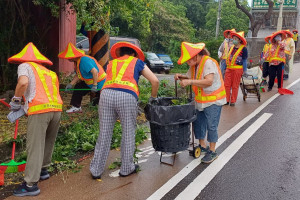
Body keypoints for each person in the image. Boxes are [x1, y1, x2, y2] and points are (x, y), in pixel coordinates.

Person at [90, 42, 159, 178]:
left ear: (120, 53)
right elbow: (155, 81)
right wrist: (153, 99)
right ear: (133, 54)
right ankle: (126, 168)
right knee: (128, 132)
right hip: (127, 96)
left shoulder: (111, 63)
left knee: (104, 133)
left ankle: (96, 170)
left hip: (106, 95)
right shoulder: (137, 62)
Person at [7, 43, 63, 196]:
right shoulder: (48, 72)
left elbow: (23, 83)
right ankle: (43, 169)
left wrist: (16, 100)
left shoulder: (25, 66)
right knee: (48, 141)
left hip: (39, 110)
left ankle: (30, 184)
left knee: (35, 145)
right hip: (56, 109)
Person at [175, 42, 226, 163]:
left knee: (211, 125)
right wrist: (180, 77)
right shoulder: (194, 65)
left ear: (196, 56)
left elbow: (208, 81)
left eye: (188, 60)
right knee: (198, 123)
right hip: (201, 100)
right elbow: (189, 79)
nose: (187, 62)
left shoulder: (208, 62)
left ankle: (213, 151)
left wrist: (190, 82)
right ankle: (203, 146)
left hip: (214, 100)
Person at [58, 42, 106, 113]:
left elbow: (95, 72)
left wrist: (95, 85)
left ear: (72, 56)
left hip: (100, 83)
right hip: (89, 83)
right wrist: (71, 84)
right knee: (78, 87)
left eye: (68, 57)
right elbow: (79, 74)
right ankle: (76, 107)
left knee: (101, 101)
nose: (67, 58)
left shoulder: (84, 60)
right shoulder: (77, 61)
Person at [224, 31, 248, 106]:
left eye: (235, 39)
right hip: (229, 69)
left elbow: (244, 60)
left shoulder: (244, 49)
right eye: (233, 38)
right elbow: (228, 58)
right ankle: (226, 100)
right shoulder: (231, 48)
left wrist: (245, 70)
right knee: (226, 85)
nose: (233, 40)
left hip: (237, 69)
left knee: (235, 85)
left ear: (240, 40)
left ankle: (233, 101)